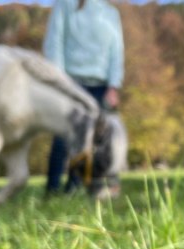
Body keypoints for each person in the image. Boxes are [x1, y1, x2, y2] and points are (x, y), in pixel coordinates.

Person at [42, 0, 124, 195]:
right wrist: (59, 82)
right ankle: (52, 189)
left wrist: (114, 85)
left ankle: (76, 186)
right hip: (71, 83)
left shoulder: (111, 13)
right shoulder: (65, 6)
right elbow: (55, 42)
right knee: (64, 137)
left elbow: (117, 52)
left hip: (100, 86)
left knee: (92, 140)